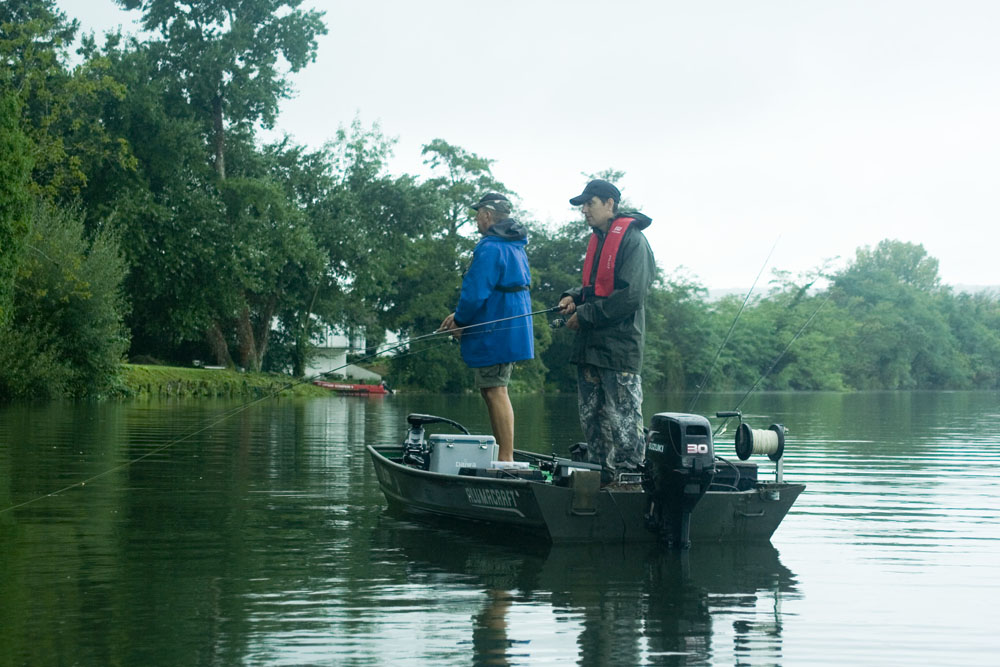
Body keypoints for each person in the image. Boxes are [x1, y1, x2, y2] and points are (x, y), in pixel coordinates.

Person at [558, 179, 655, 482]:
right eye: (582, 205)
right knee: (593, 420)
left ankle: (631, 482)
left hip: (619, 349)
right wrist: (573, 296)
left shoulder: (633, 240)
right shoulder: (599, 239)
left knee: (625, 421)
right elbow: (596, 287)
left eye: (590, 203)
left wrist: (585, 315)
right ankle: (601, 480)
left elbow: (630, 295)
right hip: (590, 350)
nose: (584, 210)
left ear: (609, 203)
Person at [440, 193, 534, 461]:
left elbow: (475, 291)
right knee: (493, 387)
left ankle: (505, 458)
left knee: (495, 389)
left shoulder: (490, 247)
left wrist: (460, 320)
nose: (476, 219)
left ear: (488, 215)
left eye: (478, 213)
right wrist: (459, 315)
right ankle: (505, 455)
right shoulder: (514, 245)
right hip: (510, 326)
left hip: (496, 330)